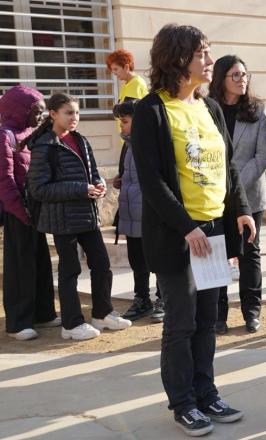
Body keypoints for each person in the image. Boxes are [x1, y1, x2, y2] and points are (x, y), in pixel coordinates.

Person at [131, 24, 255, 436]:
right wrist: (186, 227)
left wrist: (241, 209)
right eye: (201, 52)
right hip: (177, 235)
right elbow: (152, 181)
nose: (208, 58)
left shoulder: (211, 107)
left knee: (207, 320)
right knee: (181, 323)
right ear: (178, 58)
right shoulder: (151, 110)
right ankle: (183, 402)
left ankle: (207, 394)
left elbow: (229, 165)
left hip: (214, 230)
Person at [25, 93, 132, 340]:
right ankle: (71, 325)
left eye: (77, 113)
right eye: (69, 113)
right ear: (53, 114)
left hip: (87, 216)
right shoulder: (44, 147)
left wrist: (99, 184)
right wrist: (80, 189)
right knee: (70, 271)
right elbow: (38, 189)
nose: (75, 118)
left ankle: (102, 314)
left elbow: (93, 171)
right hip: (63, 220)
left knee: (102, 266)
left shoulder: (80, 140)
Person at [210, 55, 266, 334]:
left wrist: (235, 188)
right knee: (218, 253)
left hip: (250, 195)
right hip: (214, 196)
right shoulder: (208, 109)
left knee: (250, 253)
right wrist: (222, 188)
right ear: (221, 79)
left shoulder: (257, 110)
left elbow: (263, 156)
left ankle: (252, 312)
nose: (242, 80)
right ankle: (218, 314)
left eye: (245, 74)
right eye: (235, 75)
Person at [1, 85, 58, 341]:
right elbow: (5, 179)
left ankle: (44, 312)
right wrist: (20, 210)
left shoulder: (32, 132)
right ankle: (18, 321)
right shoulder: (5, 135)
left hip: (36, 208)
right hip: (18, 210)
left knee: (40, 261)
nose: (40, 117)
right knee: (20, 265)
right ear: (21, 109)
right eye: (36, 111)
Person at [113, 100, 165, 322]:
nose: (122, 126)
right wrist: (120, 180)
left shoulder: (154, 143)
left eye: (124, 121)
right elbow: (127, 174)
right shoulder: (127, 145)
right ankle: (141, 299)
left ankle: (163, 299)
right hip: (130, 214)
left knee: (158, 260)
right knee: (137, 262)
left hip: (150, 214)